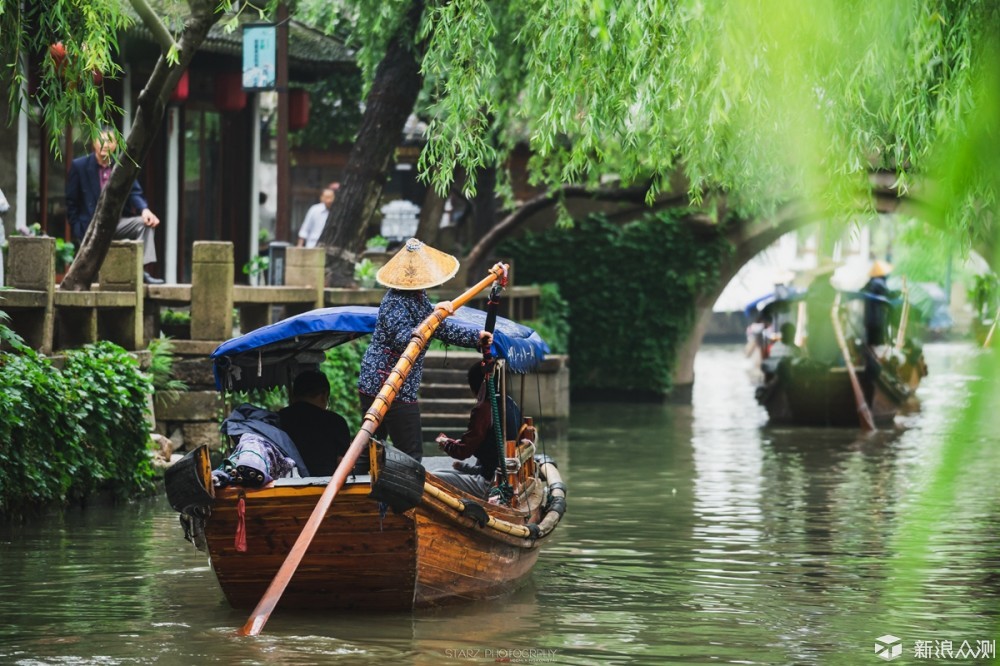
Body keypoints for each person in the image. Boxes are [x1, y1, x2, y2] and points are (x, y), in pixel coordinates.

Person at [355, 238, 492, 471]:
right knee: (406, 452)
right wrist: (435, 315)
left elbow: (439, 328)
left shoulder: (419, 297)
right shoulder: (394, 300)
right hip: (387, 384)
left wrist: (475, 338)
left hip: (396, 384)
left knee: (373, 448)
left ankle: (375, 499)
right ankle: (391, 502)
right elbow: (404, 339)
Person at [65, 128, 163, 284]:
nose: (105, 145)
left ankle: (141, 271)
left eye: (109, 141)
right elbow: (71, 203)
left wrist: (145, 210)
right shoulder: (79, 166)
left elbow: (134, 193)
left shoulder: (122, 166)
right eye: (101, 141)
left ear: (115, 144)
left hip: (117, 222)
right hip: (91, 226)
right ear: (94, 143)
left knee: (145, 224)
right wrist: (78, 229)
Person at [427, 361, 522, 498]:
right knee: (437, 471)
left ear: (477, 386)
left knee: (430, 478)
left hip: (490, 483)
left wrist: (446, 444)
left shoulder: (484, 409)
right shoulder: (509, 401)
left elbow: (463, 451)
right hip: (494, 472)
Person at [279, 369, 351, 476]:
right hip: (328, 487)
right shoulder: (336, 422)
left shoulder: (278, 418)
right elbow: (343, 463)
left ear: (293, 395)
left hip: (284, 487)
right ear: (324, 395)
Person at [862, 259, 893, 348]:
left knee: (871, 344)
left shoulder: (869, 284)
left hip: (868, 319)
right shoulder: (879, 283)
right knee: (879, 344)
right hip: (878, 319)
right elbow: (889, 295)